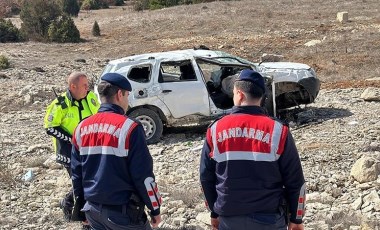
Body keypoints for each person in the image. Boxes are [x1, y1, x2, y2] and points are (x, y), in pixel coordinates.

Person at [199, 69, 306, 230]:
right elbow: (295, 180)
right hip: (270, 220)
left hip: (229, 219)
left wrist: (214, 213)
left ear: (239, 94)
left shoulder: (215, 130)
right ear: (262, 97)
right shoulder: (278, 130)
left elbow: (205, 178)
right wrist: (297, 219)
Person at [71, 72, 162, 230]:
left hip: (92, 210)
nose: (127, 100)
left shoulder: (81, 128)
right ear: (120, 94)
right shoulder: (130, 128)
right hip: (123, 213)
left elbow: (76, 173)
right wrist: (155, 208)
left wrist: (80, 208)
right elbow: (143, 175)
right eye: (127, 95)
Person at [44, 72, 99, 224]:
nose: (88, 88)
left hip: (89, 150)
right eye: (84, 85)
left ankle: (68, 203)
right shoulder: (60, 103)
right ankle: (83, 218)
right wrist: (73, 140)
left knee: (89, 182)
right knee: (82, 183)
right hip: (69, 152)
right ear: (73, 86)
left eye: (88, 85)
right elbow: (50, 127)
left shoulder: (91, 98)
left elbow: (99, 116)